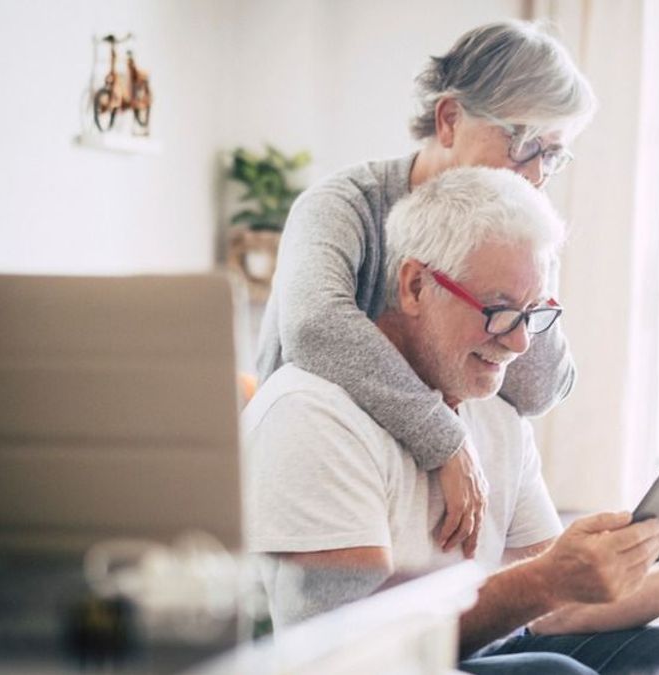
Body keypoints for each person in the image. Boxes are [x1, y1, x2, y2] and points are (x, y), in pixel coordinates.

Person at [244, 168, 659, 674]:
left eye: (533, 313)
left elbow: (555, 612)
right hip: (373, 665)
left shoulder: (493, 408)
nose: (519, 342)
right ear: (415, 286)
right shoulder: (313, 413)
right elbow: (355, 646)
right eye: (498, 309)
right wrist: (543, 581)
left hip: (471, 650)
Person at [255, 20, 595, 558]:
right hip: (319, 483)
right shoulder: (342, 206)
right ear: (450, 119)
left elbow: (537, 389)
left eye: (551, 154)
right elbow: (314, 325)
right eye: (523, 143)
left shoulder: (519, 224)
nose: (535, 174)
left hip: (427, 512)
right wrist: (444, 437)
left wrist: (522, 269)